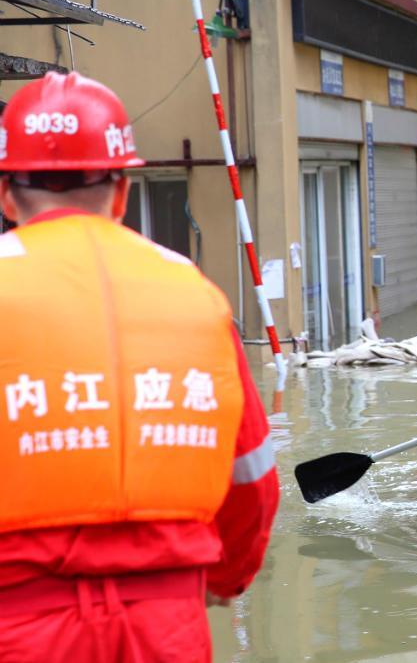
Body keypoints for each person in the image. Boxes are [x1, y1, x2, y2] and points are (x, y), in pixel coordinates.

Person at [0, 72, 279, 662]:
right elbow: (252, 481)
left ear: (6, 193)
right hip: (167, 625)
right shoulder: (195, 294)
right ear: (122, 190)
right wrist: (223, 578)